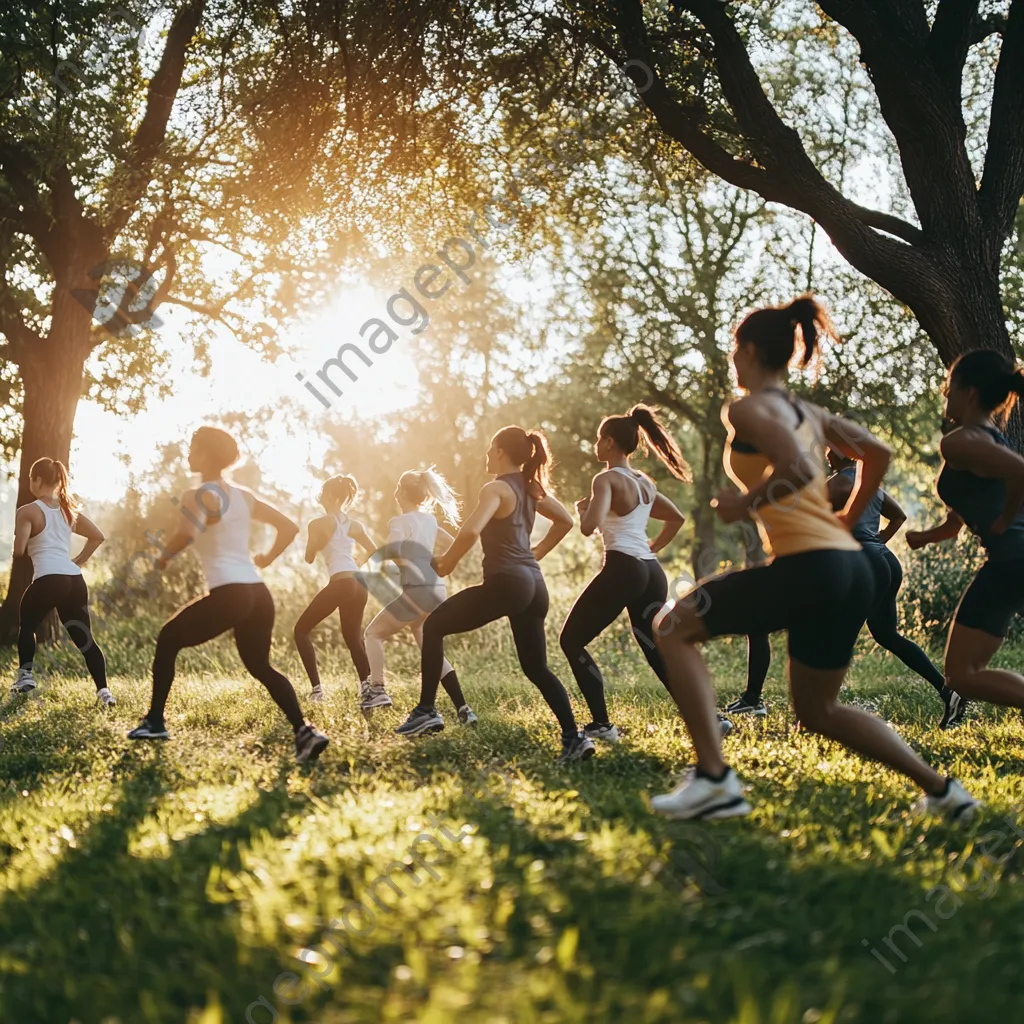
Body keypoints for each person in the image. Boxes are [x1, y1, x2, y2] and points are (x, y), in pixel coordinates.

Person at [648, 296, 979, 823]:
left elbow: (800, 468)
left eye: (736, 351)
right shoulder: (809, 411)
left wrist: (744, 503)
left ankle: (714, 780)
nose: (733, 363)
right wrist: (847, 519)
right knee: (818, 711)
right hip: (849, 570)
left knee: (671, 626)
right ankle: (944, 792)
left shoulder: (748, 407)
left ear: (750, 351)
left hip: (809, 566)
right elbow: (879, 454)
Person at [127, 427, 329, 763]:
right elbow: (289, 527)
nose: (188, 455)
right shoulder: (244, 495)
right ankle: (304, 732)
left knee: (167, 639)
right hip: (257, 594)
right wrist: (266, 559)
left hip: (230, 592)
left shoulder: (196, 494)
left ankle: (155, 722)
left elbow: (186, 533)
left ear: (206, 454)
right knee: (260, 666)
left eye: (193, 449)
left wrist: (162, 557)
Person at [396, 426, 595, 762]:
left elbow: (471, 529)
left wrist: (446, 563)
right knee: (536, 667)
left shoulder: (496, 488)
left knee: (432, 626)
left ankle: (427, 710)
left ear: (501, 451)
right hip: (534, 584)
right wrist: (534, 555)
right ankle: (574, 738)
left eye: (491, 448)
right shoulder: (531, 488)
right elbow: (565, 521)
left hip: (507, 582)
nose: (487, 454)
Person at [906, 348, 1024, 728]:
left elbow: (1021, 472)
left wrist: (1005, 521)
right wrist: (926, 537)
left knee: (962, 673)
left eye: (949, 386)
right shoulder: (985, 438)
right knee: (964, 672)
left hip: (1010, 561)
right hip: (1012, 560)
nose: (945, 394)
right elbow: (959, 519)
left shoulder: (960, 442)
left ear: (969, 392)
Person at [559, 405, 690, 743]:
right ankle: (706, 715)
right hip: (650, 570)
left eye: (599, 439)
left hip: (623, 567)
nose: (595, 444)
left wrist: (585, 509)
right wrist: (654, 547)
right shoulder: (644, 481)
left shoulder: (605, 479)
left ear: (610, 442)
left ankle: (602, 725)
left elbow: (588, 527)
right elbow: (676, 518)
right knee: (656, 648)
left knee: (571, 640)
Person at [825, 447, 950, 717]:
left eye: (829, 448)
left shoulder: (835, 483)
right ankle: (947, 690)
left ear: (838, 454)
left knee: (839, 637)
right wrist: (878, 541)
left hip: (865, 564)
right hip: (886, 562)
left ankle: (819, 709)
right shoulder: (869, 485)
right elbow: (899, 516)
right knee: (885, 634)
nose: (825, 454)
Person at [362, 467, 477, 722]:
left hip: (418, 591)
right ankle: (464, 709)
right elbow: (453, 544)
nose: (394, 493)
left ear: (403, 492)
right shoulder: (430, 521)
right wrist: (434, 562)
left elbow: (393, 549)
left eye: (397, 489)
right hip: (437, 591)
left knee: (373, 634)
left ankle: (378, 690)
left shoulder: (399, 522)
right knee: (429, 647)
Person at [12, 458, 113, 706]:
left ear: (37, 480)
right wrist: (77, 560)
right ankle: (104, 692)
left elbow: (18, 551)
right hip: (74, 580)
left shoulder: (27, 511)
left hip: (48, 578)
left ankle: (25, 676)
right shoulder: (69, 511)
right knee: (85, 638)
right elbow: (97, 536)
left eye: (30, 480)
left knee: (28, 625)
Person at [294, 475, 377, 703]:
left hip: (341, 583)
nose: (320, 496)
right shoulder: (354, 525)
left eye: (323, 492)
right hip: (359, 585)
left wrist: (317, 543)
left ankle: (317, 691)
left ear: (331, 496)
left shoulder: (317, 523)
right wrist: (357, 564)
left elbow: (309, 558)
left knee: (300, 630)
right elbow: (374, 551)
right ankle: (369, 690)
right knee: (353, 639)